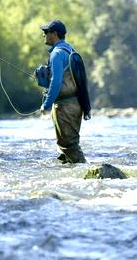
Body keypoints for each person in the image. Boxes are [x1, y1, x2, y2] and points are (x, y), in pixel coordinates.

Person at [39, 20, 87, 164]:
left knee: (68, 146)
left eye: (46, 32)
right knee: (65, 149)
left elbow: (56, 82)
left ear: (54, 34)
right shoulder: (69, 49)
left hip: (65, 107)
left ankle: (88, 174)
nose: (44, 35)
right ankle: (70, 179)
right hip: (75, 104)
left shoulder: (57, 54)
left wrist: (46, 105)